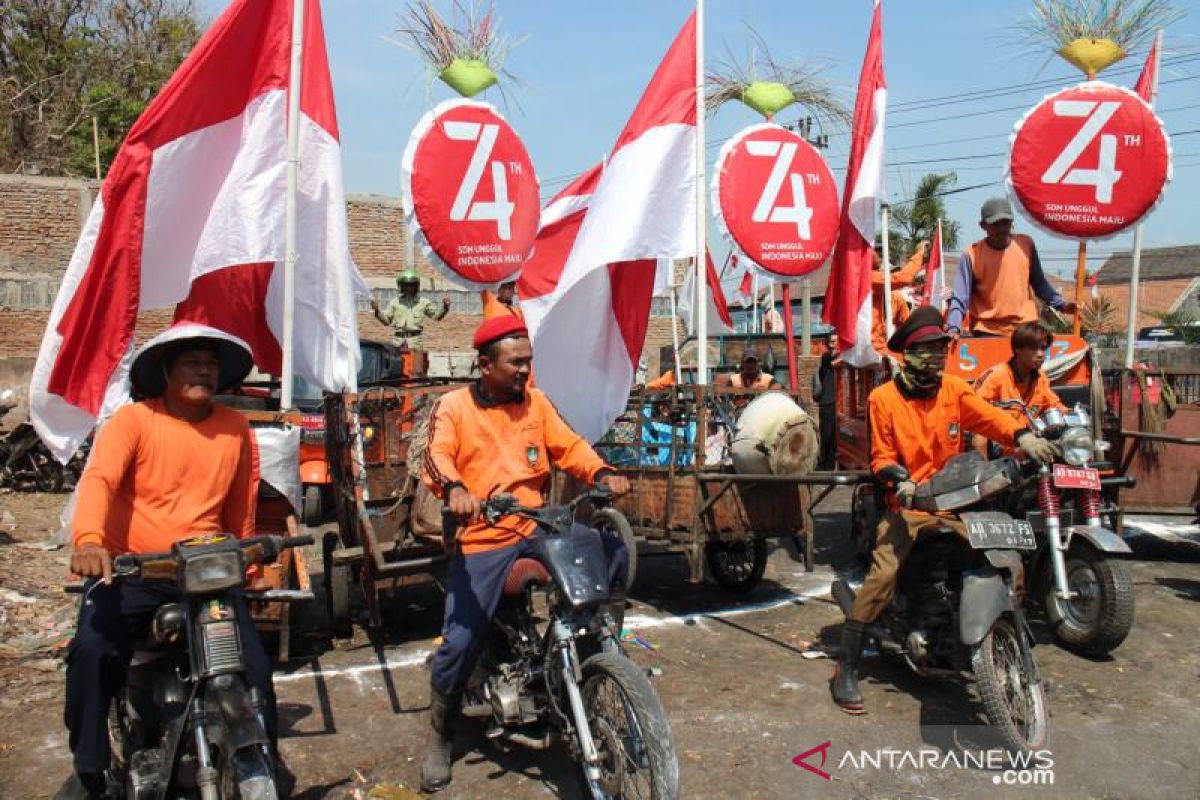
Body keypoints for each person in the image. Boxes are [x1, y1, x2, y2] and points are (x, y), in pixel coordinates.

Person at [58, 324, 280, 800]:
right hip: (133, 569)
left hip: (205, 573)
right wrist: (90, 540)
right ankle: (90, 769)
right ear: (165, 371)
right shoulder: (133, 421)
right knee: (91, 654)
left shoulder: (234, 426)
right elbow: (98, 480)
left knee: (256, 669)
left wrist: (250, 565)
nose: (204, 370)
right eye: (192, 362)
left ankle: (261, 758)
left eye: (211, 363)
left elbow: (241, 502)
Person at [418, 315, 631, 793]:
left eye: (528, 362)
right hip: (483, 536)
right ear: (485, 364)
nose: (524, 371)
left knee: (609, 551)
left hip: (537, 525)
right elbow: (436, 456)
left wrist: (601, 472)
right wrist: (454, 489)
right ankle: (440, 733)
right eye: (515, 362)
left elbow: (570, 446)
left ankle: (599, 655)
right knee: (459, 643)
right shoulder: (453, 407)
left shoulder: (536, 403)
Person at [831, 306, 1056, 714]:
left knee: (1004, 559)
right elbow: (880, 457)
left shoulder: (954, 390)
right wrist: (898, 478)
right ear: (908, 354)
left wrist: (1023, 435)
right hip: (908, 506)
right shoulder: (883, 398)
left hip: (956, 504)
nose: (936, 358)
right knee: (882, 577)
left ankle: (1008, 650)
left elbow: (992, 419)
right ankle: (845, 667)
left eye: (941, 349)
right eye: (927, 350)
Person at [945, 198, 1076, 338]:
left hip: (1025, 328)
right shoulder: (971, 254)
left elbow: (1040, 284)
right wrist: (954, 327)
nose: (1002, 229)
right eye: (996, 224)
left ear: (1012, 222)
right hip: (988, 330)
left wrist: (1062, 305)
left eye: (1006, 223)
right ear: (983, 225)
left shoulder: (1026, 245)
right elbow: (961, 297)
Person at [974, 321, 1067, 429]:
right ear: (1018, 349)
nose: (1041, 354)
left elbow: (1053, 405)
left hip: (1029, 439)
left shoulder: (1041, 378)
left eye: (1043, 348)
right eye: (1034, 348)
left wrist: (1071, 413)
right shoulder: (996, 375)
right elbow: (973, 409)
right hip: (998, 437)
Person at [370, 267, 451, 350]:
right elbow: (386, 321)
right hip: (398, 341)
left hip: (415, 342)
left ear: (416, 287)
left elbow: (436, 316)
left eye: (411, 285)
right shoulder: (395, 302)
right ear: (401, 287)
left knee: (415, 362)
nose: (408, 288)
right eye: (406, 285)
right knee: (397, 362)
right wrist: (377, 310)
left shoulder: (423, 302)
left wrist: (445, 307)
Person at [870, 240, 927, 356]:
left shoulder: (896, 297)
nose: (880, 253)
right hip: (868, 348)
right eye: (876, 250)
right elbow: (903, 278)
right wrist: (920, 254)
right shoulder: (865, 277)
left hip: (882, 346)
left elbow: (906, 326)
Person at [813, 333, 837, 470]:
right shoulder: (826, 357)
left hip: (840, 403)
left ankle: (831, 463)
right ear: (828, 344)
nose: (836, 344)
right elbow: (832, 356)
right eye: (833, 342)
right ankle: (825, 466)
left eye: (838, 341)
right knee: (827, 435)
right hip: (828, 401)